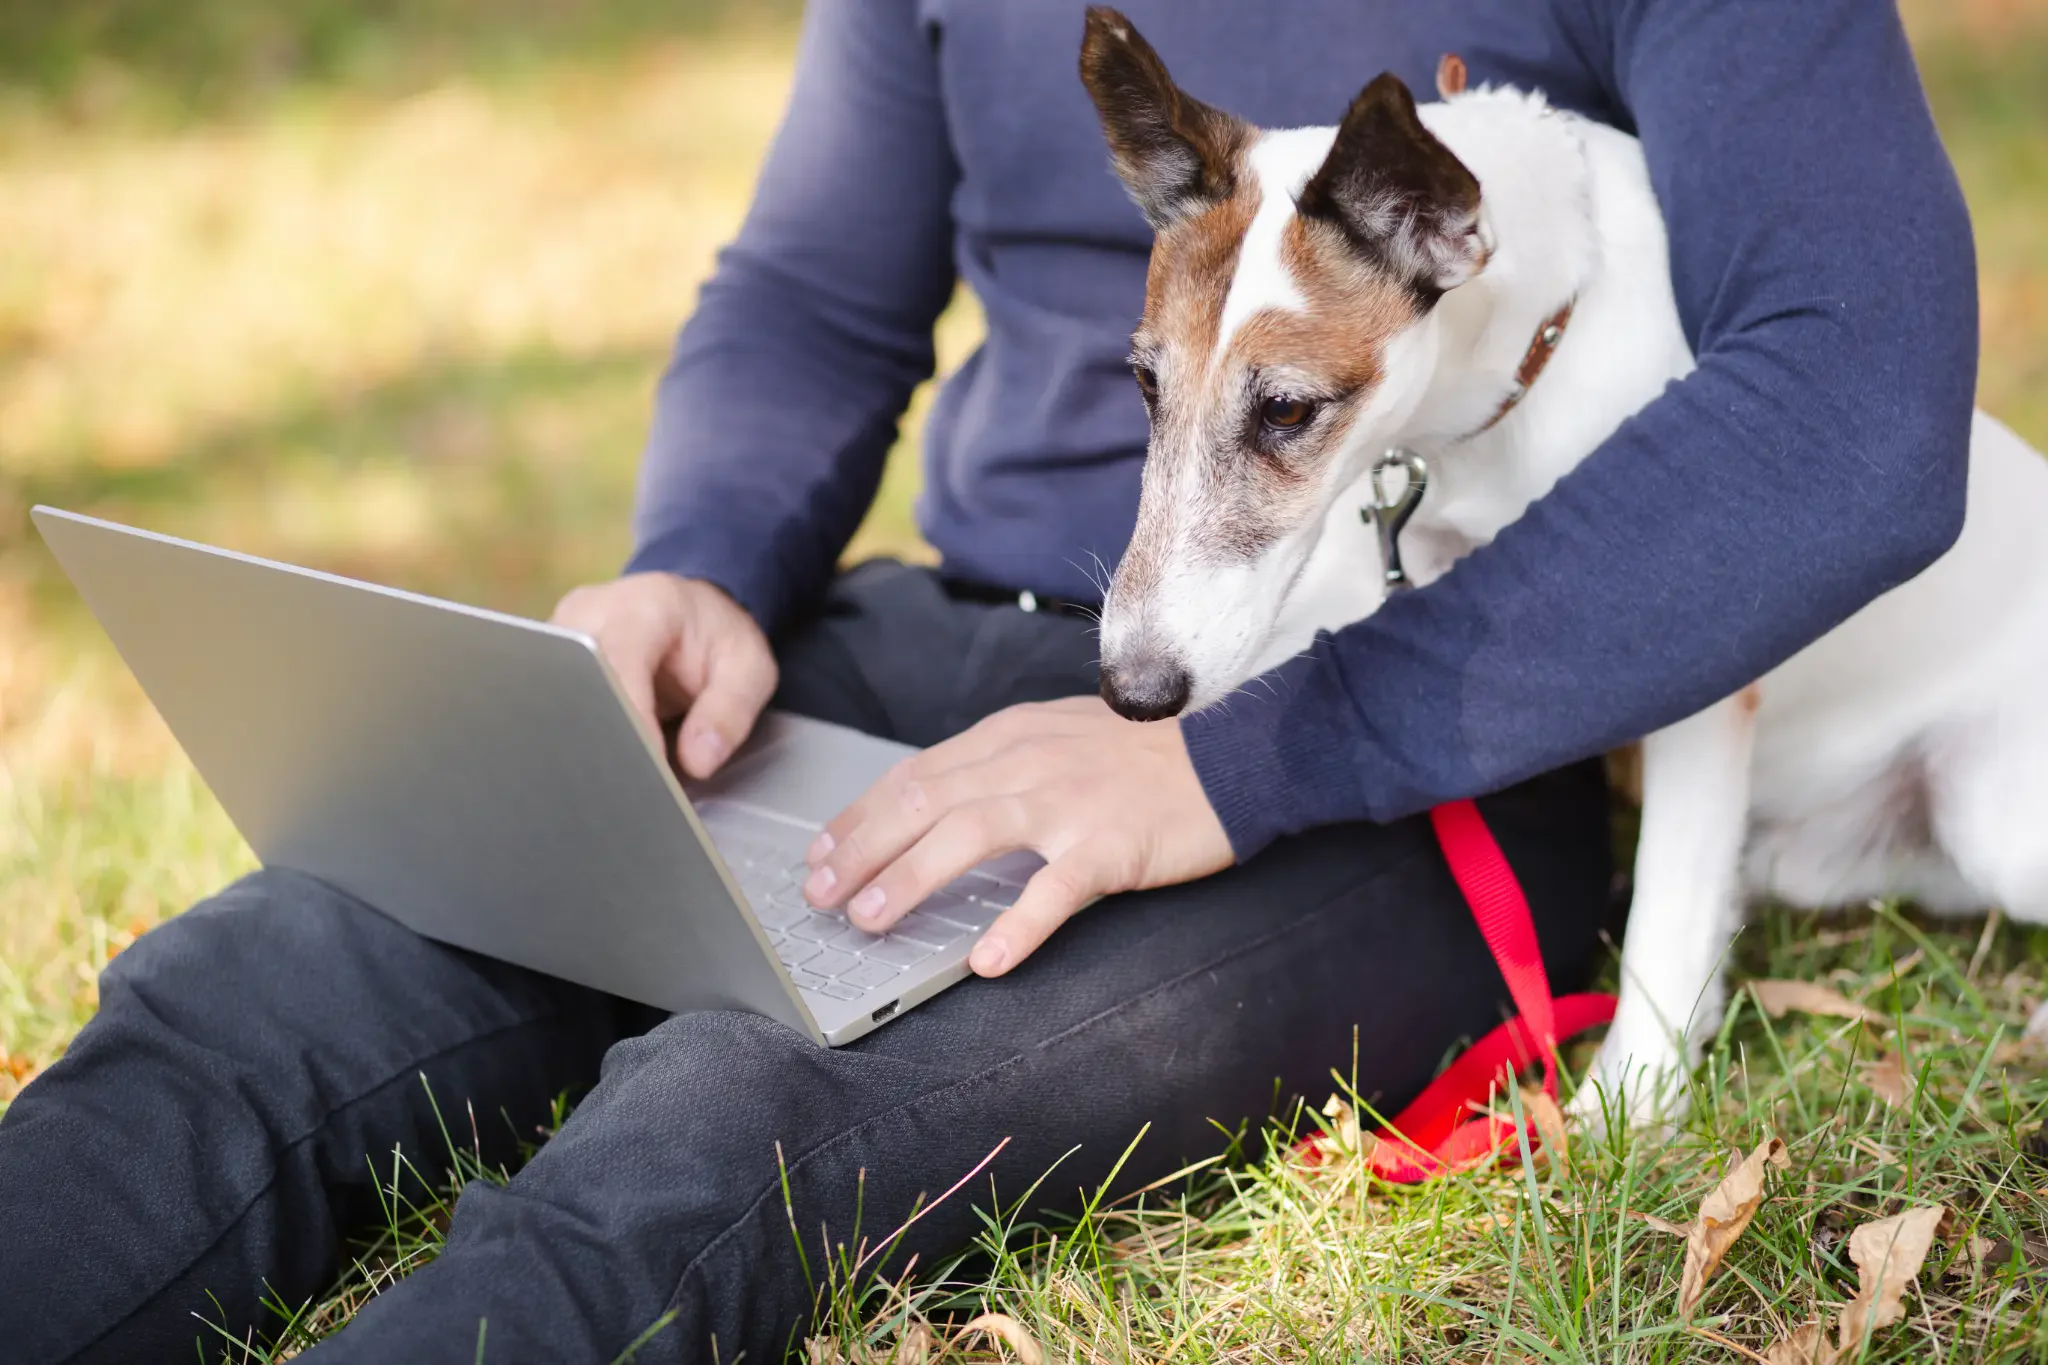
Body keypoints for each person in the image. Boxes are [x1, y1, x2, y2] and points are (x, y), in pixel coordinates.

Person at [0, 1, 1973, 1361]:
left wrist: (1239, 761)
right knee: (255, 991)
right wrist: (700, 563)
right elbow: (808, 289)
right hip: (927, 635)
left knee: (726, 1127)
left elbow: (1855, 404)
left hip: (1404, 744)